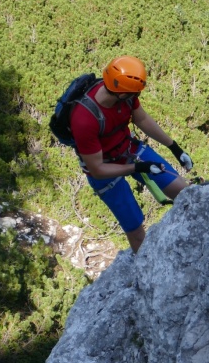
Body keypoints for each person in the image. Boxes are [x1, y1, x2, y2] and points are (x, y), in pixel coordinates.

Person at [70, 56, 193, 253]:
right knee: (135, 230)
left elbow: (142, 119)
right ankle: (147, 274)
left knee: (184, 192)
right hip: (104, 170)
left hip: (129, 150)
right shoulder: (84, 119)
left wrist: (175, 148)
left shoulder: (124, 95)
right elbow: (98, 169)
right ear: (122, 92)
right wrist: (138, 167)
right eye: (134, 93)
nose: (136, 96)